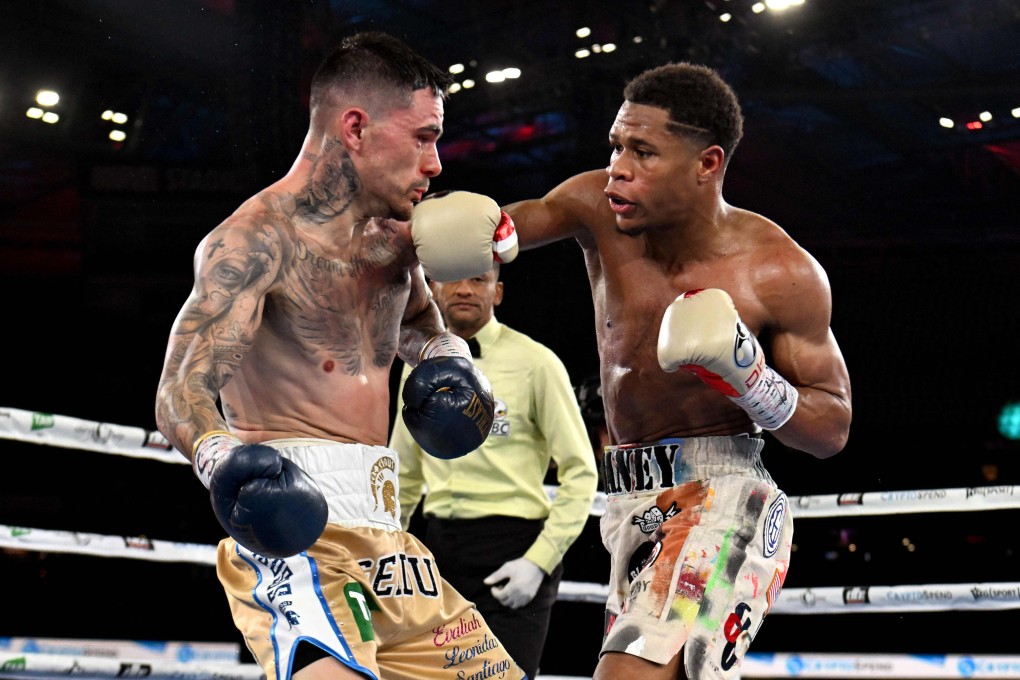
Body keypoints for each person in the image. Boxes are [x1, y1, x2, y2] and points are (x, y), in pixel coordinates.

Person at [154, 32, 527, 680]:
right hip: (297, 533)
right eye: (424, 136)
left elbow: (419, 324)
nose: (437, 162)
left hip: (391, 537)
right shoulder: (254, 242)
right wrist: (224, 461)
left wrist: (451, 365)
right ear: (355, 127)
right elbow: (179, 390)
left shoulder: (394, 245)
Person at [499, 62, 854, 679]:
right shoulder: (594, 206)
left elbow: (833, 426)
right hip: (630, 499)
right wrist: (455, 227)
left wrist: (752, 379)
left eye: (644, 152)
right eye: (615, 146)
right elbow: (506, 228)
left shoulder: (778, 271)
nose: (619, 167)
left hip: (722, 495)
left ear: (707, 164)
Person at [388, 263, 599, 679]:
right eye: (453, 279)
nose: (465, 289)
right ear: (431, 289)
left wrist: (538, 562)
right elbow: (404, 475)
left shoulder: (537, 363)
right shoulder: (416, 368)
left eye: (479, 279)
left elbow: (581, 472)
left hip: (514, 545)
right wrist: (390, 549)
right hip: (439, 550)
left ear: (498, 292)